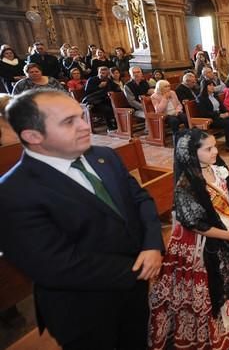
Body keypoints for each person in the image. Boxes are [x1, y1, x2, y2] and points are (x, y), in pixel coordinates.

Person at [0, 89, 163, 349]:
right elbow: (55, 265)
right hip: (84, 308)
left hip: (133, 291)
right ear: (33, 136)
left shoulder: (104, 156)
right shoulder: (12, 193)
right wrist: (140, 269)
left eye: (80, 116)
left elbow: (140, 199)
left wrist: (153, 244)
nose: (85, 125)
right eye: (68, 122)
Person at [148, 129, 229, 349]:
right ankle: (223, 329)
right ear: (192, 153)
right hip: (206, 241)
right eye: (208, 149)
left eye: (214, 146)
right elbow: (195, 224)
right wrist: (227, 235)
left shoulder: (219, 169)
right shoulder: (186, 185)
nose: (215, 151)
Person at [197, 79, 229, 149]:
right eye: (210, 85)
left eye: (213, 85)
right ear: (204, 86)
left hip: (220, 116)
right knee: (228, 123)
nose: (212, 87)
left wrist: (226, 112)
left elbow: (222, 106)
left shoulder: (214, 95)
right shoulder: (201, 98)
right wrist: (219, 115)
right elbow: (204, 113)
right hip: (211, 119)